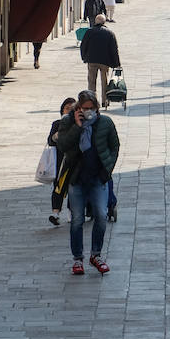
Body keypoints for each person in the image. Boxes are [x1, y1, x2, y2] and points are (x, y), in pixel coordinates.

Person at [52, 90, 120, 275]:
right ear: (78, 108)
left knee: (100, 214)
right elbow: (63, 145)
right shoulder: (68, 122)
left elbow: (115, 146)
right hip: (77, 179)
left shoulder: (105, 122)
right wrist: (78, 126)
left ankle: (96, 254)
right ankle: (78, 259)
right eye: (85, 108)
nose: (89, 111)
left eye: (91, 109)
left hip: (98, 178)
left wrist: (108, 168)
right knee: (77, 220)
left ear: (97, 108)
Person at [79, 14, 120, 107]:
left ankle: (92, 102)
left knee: (91, 82)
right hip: (105, 62)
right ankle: (104, 101)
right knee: (104, 81)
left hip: (92, 60)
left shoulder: (89, 32)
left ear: (95, 22)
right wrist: (117, 64)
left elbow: (83, 46)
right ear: (104, 22)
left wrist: (84, 58)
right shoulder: (109, 33)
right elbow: (114, 49)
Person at [46, 98, 77, 225]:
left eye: (72, 108)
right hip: (59, 161)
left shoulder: (78, 124)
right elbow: (50, 141)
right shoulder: (57, 124)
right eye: (67, 108)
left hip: (74, 161)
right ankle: (55, 213)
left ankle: (71, 212)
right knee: (58, 187)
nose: (69, 110)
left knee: (72, 187)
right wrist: (59, 134)